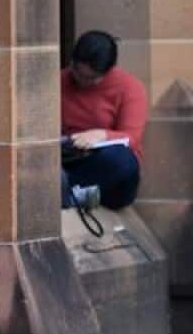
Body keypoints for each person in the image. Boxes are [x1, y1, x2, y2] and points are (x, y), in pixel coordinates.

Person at [61, 30, 147, 211]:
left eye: (92, 78)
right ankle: (70, 194)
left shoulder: (129, 87)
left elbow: (132, 138)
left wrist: (102, 135)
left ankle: (70, 195)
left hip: (106, 168)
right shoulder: (60, 81)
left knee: (121, 160)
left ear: (108, 71)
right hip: (70, 160)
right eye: (78, 73)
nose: (83, 81)